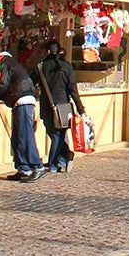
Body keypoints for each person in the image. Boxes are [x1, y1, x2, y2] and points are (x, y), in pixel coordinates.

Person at [0, 51, 45, 181]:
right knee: (18, 137)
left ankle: (37, 166)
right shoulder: (15, 64)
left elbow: (3, 84)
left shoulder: (5, 63)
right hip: (24, 100)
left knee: (25, 136)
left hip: (22, 100)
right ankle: (23, 168)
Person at [36, 41, 85, 173]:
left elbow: (31, 82)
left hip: (47, 106)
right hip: (63, 106)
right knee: (59, 134)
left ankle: (56, 161)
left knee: (54, 134)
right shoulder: (67, 67)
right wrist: (81, 109)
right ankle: (62, 157)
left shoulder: (41, 67)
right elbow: (73, 89)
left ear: (47, 51)